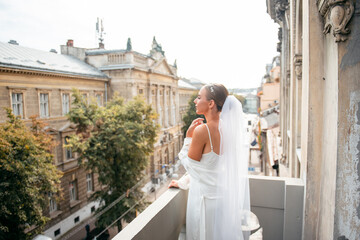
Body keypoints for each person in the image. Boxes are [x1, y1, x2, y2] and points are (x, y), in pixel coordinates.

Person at [169, 84, 251, 240]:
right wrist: (184, 182)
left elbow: (191, 167)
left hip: (203, 203)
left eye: (199, 97)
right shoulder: (229, 129)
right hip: (222, 202)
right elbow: (210, 168)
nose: (195, 100)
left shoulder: (202, 131)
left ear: (211, 103)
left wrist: (188, 137)